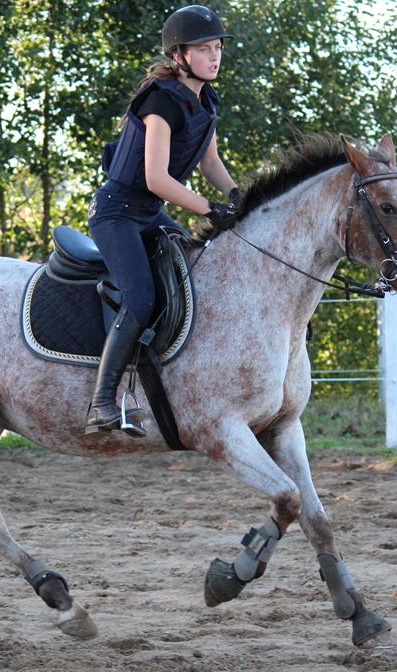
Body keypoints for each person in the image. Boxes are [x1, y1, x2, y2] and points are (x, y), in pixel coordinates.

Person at [86, 4, 241, 436]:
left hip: (150, 215)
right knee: (140, 299)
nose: (215, 57)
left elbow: (209, 160)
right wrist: (209, 209)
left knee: (195, 275)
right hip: (117, 215)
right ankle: (101, 403)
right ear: (179, 55)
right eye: (205, 49)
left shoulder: (204, 99)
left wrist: (237, 196)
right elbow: (156, 178)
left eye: (218, 49)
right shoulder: (160, 100)